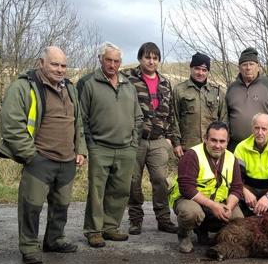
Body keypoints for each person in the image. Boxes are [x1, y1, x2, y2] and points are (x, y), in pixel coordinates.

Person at [0, 46, 87, 264]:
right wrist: (30, 155)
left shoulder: (70, 89)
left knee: (61, 206)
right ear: (41, 63)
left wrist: (80, 150)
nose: (60, 69)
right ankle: (29, 247)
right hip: (39, 158)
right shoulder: (23, 87)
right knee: (31, 207)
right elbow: (11, 125)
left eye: (63, 65)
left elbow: (79, 122)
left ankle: (54, 240)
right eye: (55, 64)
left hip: (67, 160)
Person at [78, 42, 143, 248]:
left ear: (120, 62)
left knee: (120, 190)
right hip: (100, 147)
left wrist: (133, 144)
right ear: (100, 59)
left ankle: (110, 227)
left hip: (125, 148)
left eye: (116, 61)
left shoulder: (128, 85)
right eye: (108, 60)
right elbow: (81, 118)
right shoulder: (88, 83)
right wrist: (89, 146)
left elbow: (138, 117)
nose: (112, 64)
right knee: (97, 191)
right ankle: (94, 231)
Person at [122, 42, 179, 236]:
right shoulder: (128, 78)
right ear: (140, 58)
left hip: (158, 140)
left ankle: (163, 219)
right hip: (135, 140)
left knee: (160, 180)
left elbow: (170, 113)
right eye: (147, 57)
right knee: (133, 181)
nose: (151, 61)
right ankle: (135, 220)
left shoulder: (164, 82)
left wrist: (170, 138)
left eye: (155, 58)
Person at [168, 121, 244, 253]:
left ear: (227, 142)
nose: (217, 145)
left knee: (237, 219)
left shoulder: (232, 158)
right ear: (205, 139)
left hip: (218, 201)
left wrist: (228, 207)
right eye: (213, 140)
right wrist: (213, 206)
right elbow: (186, 188)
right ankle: (184, 235)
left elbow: (237, 188)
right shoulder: (192, 155)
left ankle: (203, 231)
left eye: (222, 141)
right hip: (190, 200)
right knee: (192, 213)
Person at [226, 47, 268, 150]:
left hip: (262, 145)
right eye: (244, 64)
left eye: (251, 64)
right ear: (239, 68)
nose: (248, 68)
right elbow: (225, 116)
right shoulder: (232, 88)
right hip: (236, 146)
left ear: (257, 67)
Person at [234, 113, 268, 216]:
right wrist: (245, 192)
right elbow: (236, 178)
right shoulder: (241, 147)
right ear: (252, 129)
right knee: (235, 198)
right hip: (248, 187)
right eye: (256, 128)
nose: (260, 132)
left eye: (264, 129)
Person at [173, 52, 227, 152]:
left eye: (204, 70)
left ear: (208, 72)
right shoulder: (179, 90)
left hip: (212, 146)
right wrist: (176, 143)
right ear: (191, 68)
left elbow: (224, 119)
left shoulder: (217, 92)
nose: (200, 73)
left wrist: (223, 143)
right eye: (197, 68)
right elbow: (174, 118)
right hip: (188, 146)